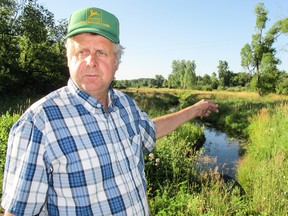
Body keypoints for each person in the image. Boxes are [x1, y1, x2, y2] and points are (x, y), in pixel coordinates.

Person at [1, 7, 218, 216]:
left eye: (101, 52)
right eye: (81, 51)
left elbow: (150, 130)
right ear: (68, 59)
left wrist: (195, 109)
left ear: (116, 62)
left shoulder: (125, 104)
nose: (91, 61)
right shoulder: (38, 124)